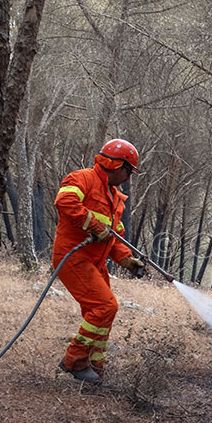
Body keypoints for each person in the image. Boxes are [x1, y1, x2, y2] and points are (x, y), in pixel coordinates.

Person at [52, 138, 146, 383]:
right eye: (128, 171)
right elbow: (65, 202)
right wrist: (93, 225)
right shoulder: (81, 178)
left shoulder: (115, 198)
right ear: (116, 164)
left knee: (102, 314)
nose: (128, 177)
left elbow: (113, 237)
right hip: (73, 256)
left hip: (95, 262)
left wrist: (126, 260)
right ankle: (74, 360)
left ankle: (95, 370)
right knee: (105, 306)